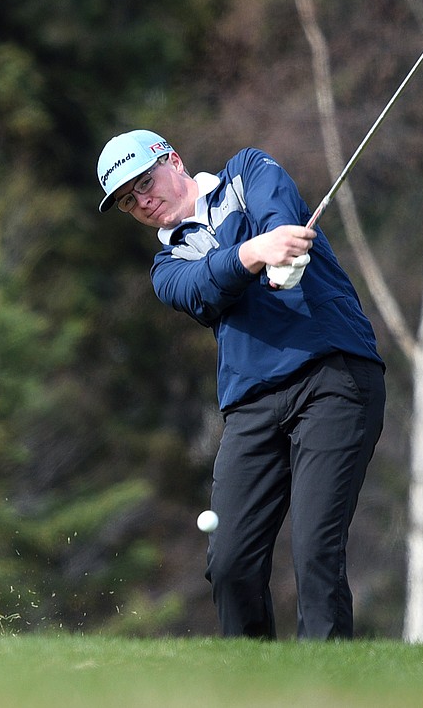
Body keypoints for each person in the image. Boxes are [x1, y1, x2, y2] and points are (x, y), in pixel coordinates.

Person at [96, 129, 385, 639]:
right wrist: (257, 252)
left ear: (174, 161)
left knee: (315, 547)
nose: (142, 201)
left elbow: (278, 209)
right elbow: (204, 284)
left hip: (333, 375)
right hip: (252, 405)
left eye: (144, 182)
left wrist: (283, 246)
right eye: (127, 200)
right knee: (229, 564)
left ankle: (327, 688)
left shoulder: (246, 170)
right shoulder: (167, 268)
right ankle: (252, 687)